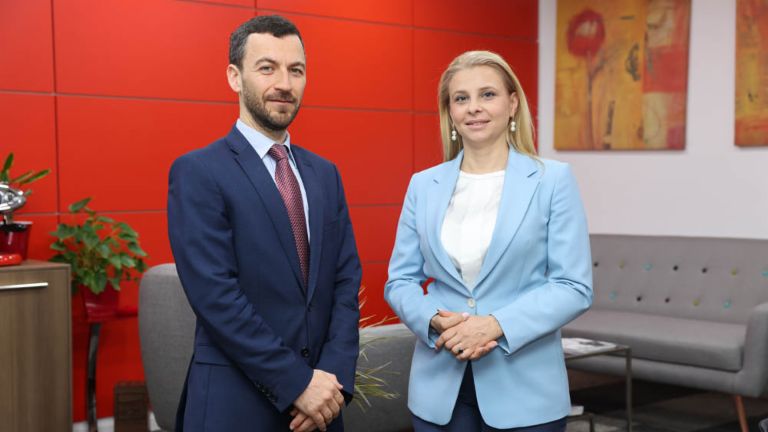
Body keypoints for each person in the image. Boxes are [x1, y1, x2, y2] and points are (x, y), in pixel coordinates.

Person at [167, 15, 362, 432]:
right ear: (235, 77)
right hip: (235, 406)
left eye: (296, 70)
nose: (284, 84)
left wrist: (332, 381)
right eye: (267, 68)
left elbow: (346, 281)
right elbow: (216, 296)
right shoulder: (199, 171)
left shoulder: (325, 174)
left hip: (322, 407)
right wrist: (296, 384)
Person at [384, 50, 593, 431]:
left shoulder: (552, 181)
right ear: (450, 111)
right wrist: (435, 320)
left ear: (512, 104)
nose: (474, 108)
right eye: (461, 98)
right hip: (439, 388)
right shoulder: (423, 185)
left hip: (527, 391)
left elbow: (573, 286)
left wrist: (496, 324)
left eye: (488, 95)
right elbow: (400, 280)